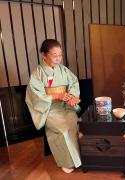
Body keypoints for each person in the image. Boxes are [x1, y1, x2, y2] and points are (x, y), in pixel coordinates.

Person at [25, 39, 81, 173]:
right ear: (44, 55)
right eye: (54, 55)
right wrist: (56, 96)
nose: (58, 58)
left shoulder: (64, 70)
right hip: (49, 109)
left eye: (60, 55)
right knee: (62, 130)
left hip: (65, 107)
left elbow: (74, 84)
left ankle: (80, 157)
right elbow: (35, 96)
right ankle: (67, 162)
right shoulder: (37, 73)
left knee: (74, 124)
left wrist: (71, 97)